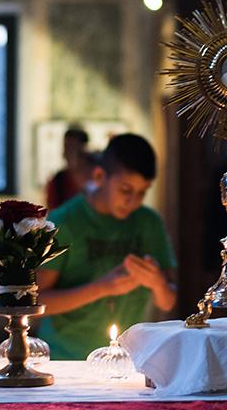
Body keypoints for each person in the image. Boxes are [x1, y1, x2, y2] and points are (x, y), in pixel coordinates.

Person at [37, 134, 177, 358]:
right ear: (100, 176)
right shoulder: (64, 222)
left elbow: (168, 300)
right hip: (68, 358)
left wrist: (157, 282)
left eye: (142, 192)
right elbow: (36, 303)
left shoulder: (148, 222)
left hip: (128, 359)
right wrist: (103, 287)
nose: (133, 201)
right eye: (125, 190)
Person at [45, 127, 90, 210]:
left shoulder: (98, 178)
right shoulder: (58, 181)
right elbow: (52, 214)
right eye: (66, 147)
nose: (68, 152)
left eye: (73, 147)